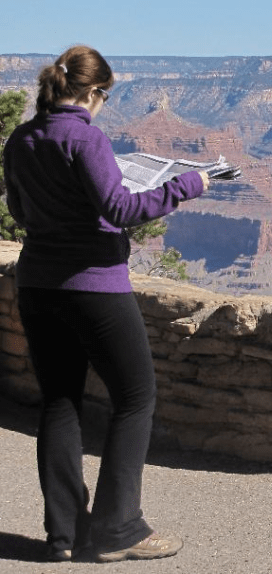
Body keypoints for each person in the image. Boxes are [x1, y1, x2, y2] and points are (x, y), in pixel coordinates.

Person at [1, 45, 209, 563]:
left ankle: (65, 535)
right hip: (94, 286)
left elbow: (20, 212)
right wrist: (186, 186)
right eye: (106, 96)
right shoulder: (86, 138)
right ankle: (119, 529)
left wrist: (63, 215)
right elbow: (119, 208)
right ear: (93, 91)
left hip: (37, 286)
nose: (103, 104)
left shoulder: (21, 138)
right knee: (136, 397)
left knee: (60, 401)